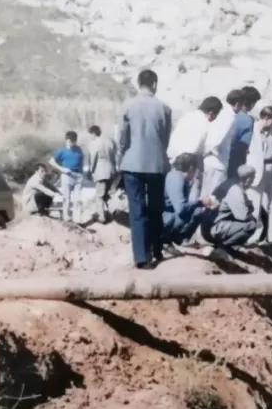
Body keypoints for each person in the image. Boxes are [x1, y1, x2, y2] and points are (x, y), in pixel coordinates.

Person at [118, 69, 172, 269]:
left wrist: (121, 159)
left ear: (138, 84)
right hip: (157, 164)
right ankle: (157, 249)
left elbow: (122, 139)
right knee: (156, 209)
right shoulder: (164, 108)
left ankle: (142, 257)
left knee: (137, 210)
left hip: (132, 164)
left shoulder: (128, 106)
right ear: (155, 84)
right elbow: (165, 139)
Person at [247, 105, 272, 244]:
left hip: (271, 168)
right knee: (255, 203)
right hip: (256, 170)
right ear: (266, 118)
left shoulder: (271, 131)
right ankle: (254, 235)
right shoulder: (253, 130)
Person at [163, 153, 212, 245]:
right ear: (191, 168)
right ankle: (168, 240)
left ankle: (177, 239)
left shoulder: (177, 176)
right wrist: (200, 202)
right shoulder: (177, 178)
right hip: (165, 217)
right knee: (197, 212)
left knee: (197, 211)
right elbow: (180, 208)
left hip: (166, 214)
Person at [201, 89, 242, 199]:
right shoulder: (229, 116)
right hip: (217, 164)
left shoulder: (221, 112)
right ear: (237, 104)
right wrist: (212, 152)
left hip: (209, 162)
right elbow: (215, 141)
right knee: (212, 198)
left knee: (205, 197)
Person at [209, 165, 259, 248]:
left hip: (218, 224)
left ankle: (227, 246)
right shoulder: (235, 190)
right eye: (252, 178)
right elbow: (242, 216)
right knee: (251, 225)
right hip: (215, 227)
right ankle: (224, 247)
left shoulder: (236, 187)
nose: (253, 181)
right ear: (248, 179)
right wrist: (250, 210)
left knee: (250, 221)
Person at [168, 96, 222, 164]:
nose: (215, 118)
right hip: (185, 162)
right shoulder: (204, 123)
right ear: (211, 113)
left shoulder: (187, 116)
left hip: (171, 157)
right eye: (216, 115)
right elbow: (194, 149)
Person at [50, 130, 85, 222]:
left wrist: (82, 174)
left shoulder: (79, 149)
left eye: (72, 141)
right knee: (67, 198)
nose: (70, 143)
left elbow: (81, 161)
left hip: (78, 176)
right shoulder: (62, 150)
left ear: (75, 141)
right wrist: (62, 169)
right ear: (66, 140)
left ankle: (77, 219)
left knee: (77, 199)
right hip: (67, 175)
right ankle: (66, 217)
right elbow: (51, 161)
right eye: (68, 141)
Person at [87, 124, 118, 222]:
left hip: (100, 171)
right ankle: (113, 211)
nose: (90, 136)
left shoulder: (94, 143)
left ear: (94, 133)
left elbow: (93, 157)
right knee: (106, 195)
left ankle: (101, 217)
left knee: (99, 196)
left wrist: (90, 170)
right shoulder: (110, 142)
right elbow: (115, 156)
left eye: (91, 134)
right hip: (111, 170)